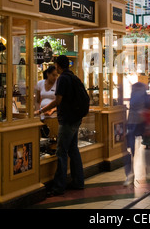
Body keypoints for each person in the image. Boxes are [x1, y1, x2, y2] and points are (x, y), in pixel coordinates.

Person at [39, 55, 85, 196]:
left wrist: (41, 110)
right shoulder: (73, 77)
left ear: (58, 65)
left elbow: (58, 100)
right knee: (73, 149)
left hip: (67, 120)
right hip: (76, 118)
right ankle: (78, 182)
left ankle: (59, 186)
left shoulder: (63, 79)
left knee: (61, 152)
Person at [123, 81, 150, 186]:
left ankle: (129, 174)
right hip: (142, 123)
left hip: (132, 123)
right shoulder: (144, 94)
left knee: (130, 150)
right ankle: (148, 171)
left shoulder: (133, 94)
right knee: (147, 146)